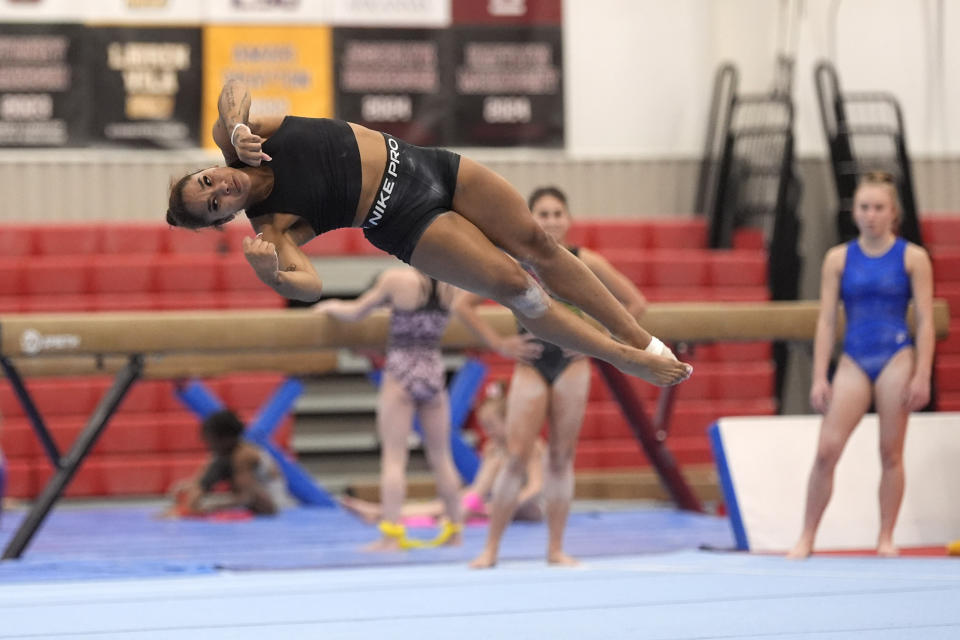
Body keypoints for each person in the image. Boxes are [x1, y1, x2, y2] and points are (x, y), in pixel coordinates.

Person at [164, 80, 691, 389]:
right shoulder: (272, 226)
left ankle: (643, 339)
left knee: (539, 245)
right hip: (407, 220)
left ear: (212, 165)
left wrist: (236, 130)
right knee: (518, 287)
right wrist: (273, 273)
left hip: (428, 165)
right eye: (215, 205)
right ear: (222, 220)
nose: (221, 189)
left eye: (208, 181)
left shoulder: (246, 139)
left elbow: (231, 92)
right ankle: (623, 357)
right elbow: (310, 286)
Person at [457, 186, 649, 568]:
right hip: (530, 362)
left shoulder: (583, 260)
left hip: (572, 364)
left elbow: (635, 303)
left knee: (561, 457)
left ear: (569, 219)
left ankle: (556, 548)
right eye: (542, 214)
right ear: (529, 219)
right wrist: (500, 344)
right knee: (515, 456)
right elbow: (464, 305)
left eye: (557, 213)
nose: (550, 221)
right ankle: (491, 548)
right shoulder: (512, 262)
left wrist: (596, 339)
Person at [787, 171, 934, 559]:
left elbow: (925, 319)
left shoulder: (913, 257)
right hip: (854, 358)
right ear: (854, 212)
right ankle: (806, 536)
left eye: (879, 208)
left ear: (893, 213)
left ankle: (885, 536)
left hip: (896, 356)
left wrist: (922, 373)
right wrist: (820, 375)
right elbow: (826, 320)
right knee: (826, 451)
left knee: (890, 453)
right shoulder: (838, 258)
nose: (871, 215)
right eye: (864, 207)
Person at [312, 267, 465, 550]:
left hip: (401, 370)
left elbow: (357, 311)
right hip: (432, 368)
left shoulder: (397, 279)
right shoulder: (452, 282)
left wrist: (330, 306)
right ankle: (456, 531)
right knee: (442, 458)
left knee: (394, 458)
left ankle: (390, 536)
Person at [338, 379, 546, 526]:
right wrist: (476, 503)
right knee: (444, 504)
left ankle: (382, 513)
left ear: (511, 420)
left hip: (526, 510)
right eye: (484, 426)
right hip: (497, 506)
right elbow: (479, 488)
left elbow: (536, 488)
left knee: (455, 506)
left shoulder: (531, 446)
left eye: (492, 425)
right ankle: (384, 513)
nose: (487, 431)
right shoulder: (493, 448)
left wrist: (505, 505)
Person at [165, 409, 290, 517]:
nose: (208, 444)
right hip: (252, 502)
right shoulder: (220, 453)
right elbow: (200, 481)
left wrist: (211, 508)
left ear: (226, 438)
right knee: (202, 480)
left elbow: (246, 497)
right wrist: (186, 488)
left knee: (219, 468)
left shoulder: (244, 455)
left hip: (274, 505)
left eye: (210, 440)